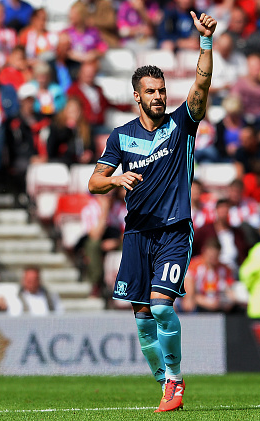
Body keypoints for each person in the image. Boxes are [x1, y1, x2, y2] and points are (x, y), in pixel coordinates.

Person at [87, 12, 217, 413]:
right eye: (151, 91)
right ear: (137, 97)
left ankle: (175, 382)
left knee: (162, 305)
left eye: (162, 89)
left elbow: (201, 84)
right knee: (143, 317)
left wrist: (206, 43)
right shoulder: (121, 136)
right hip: (137, 233)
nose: (159, 96)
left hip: (174, 229)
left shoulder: (182, 124)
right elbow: (94, 181)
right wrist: (115, 180)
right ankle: (163, 381)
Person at [182, 238, 237, 313]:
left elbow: (230, 292)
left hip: (218, 304)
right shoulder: (194, 267)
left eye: (215, 256)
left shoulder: (225, 269)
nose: (213, 259)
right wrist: (205, 301)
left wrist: (229, 301)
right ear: (204, 251)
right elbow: (189, 296)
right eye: (211, 256)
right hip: (200, 305)